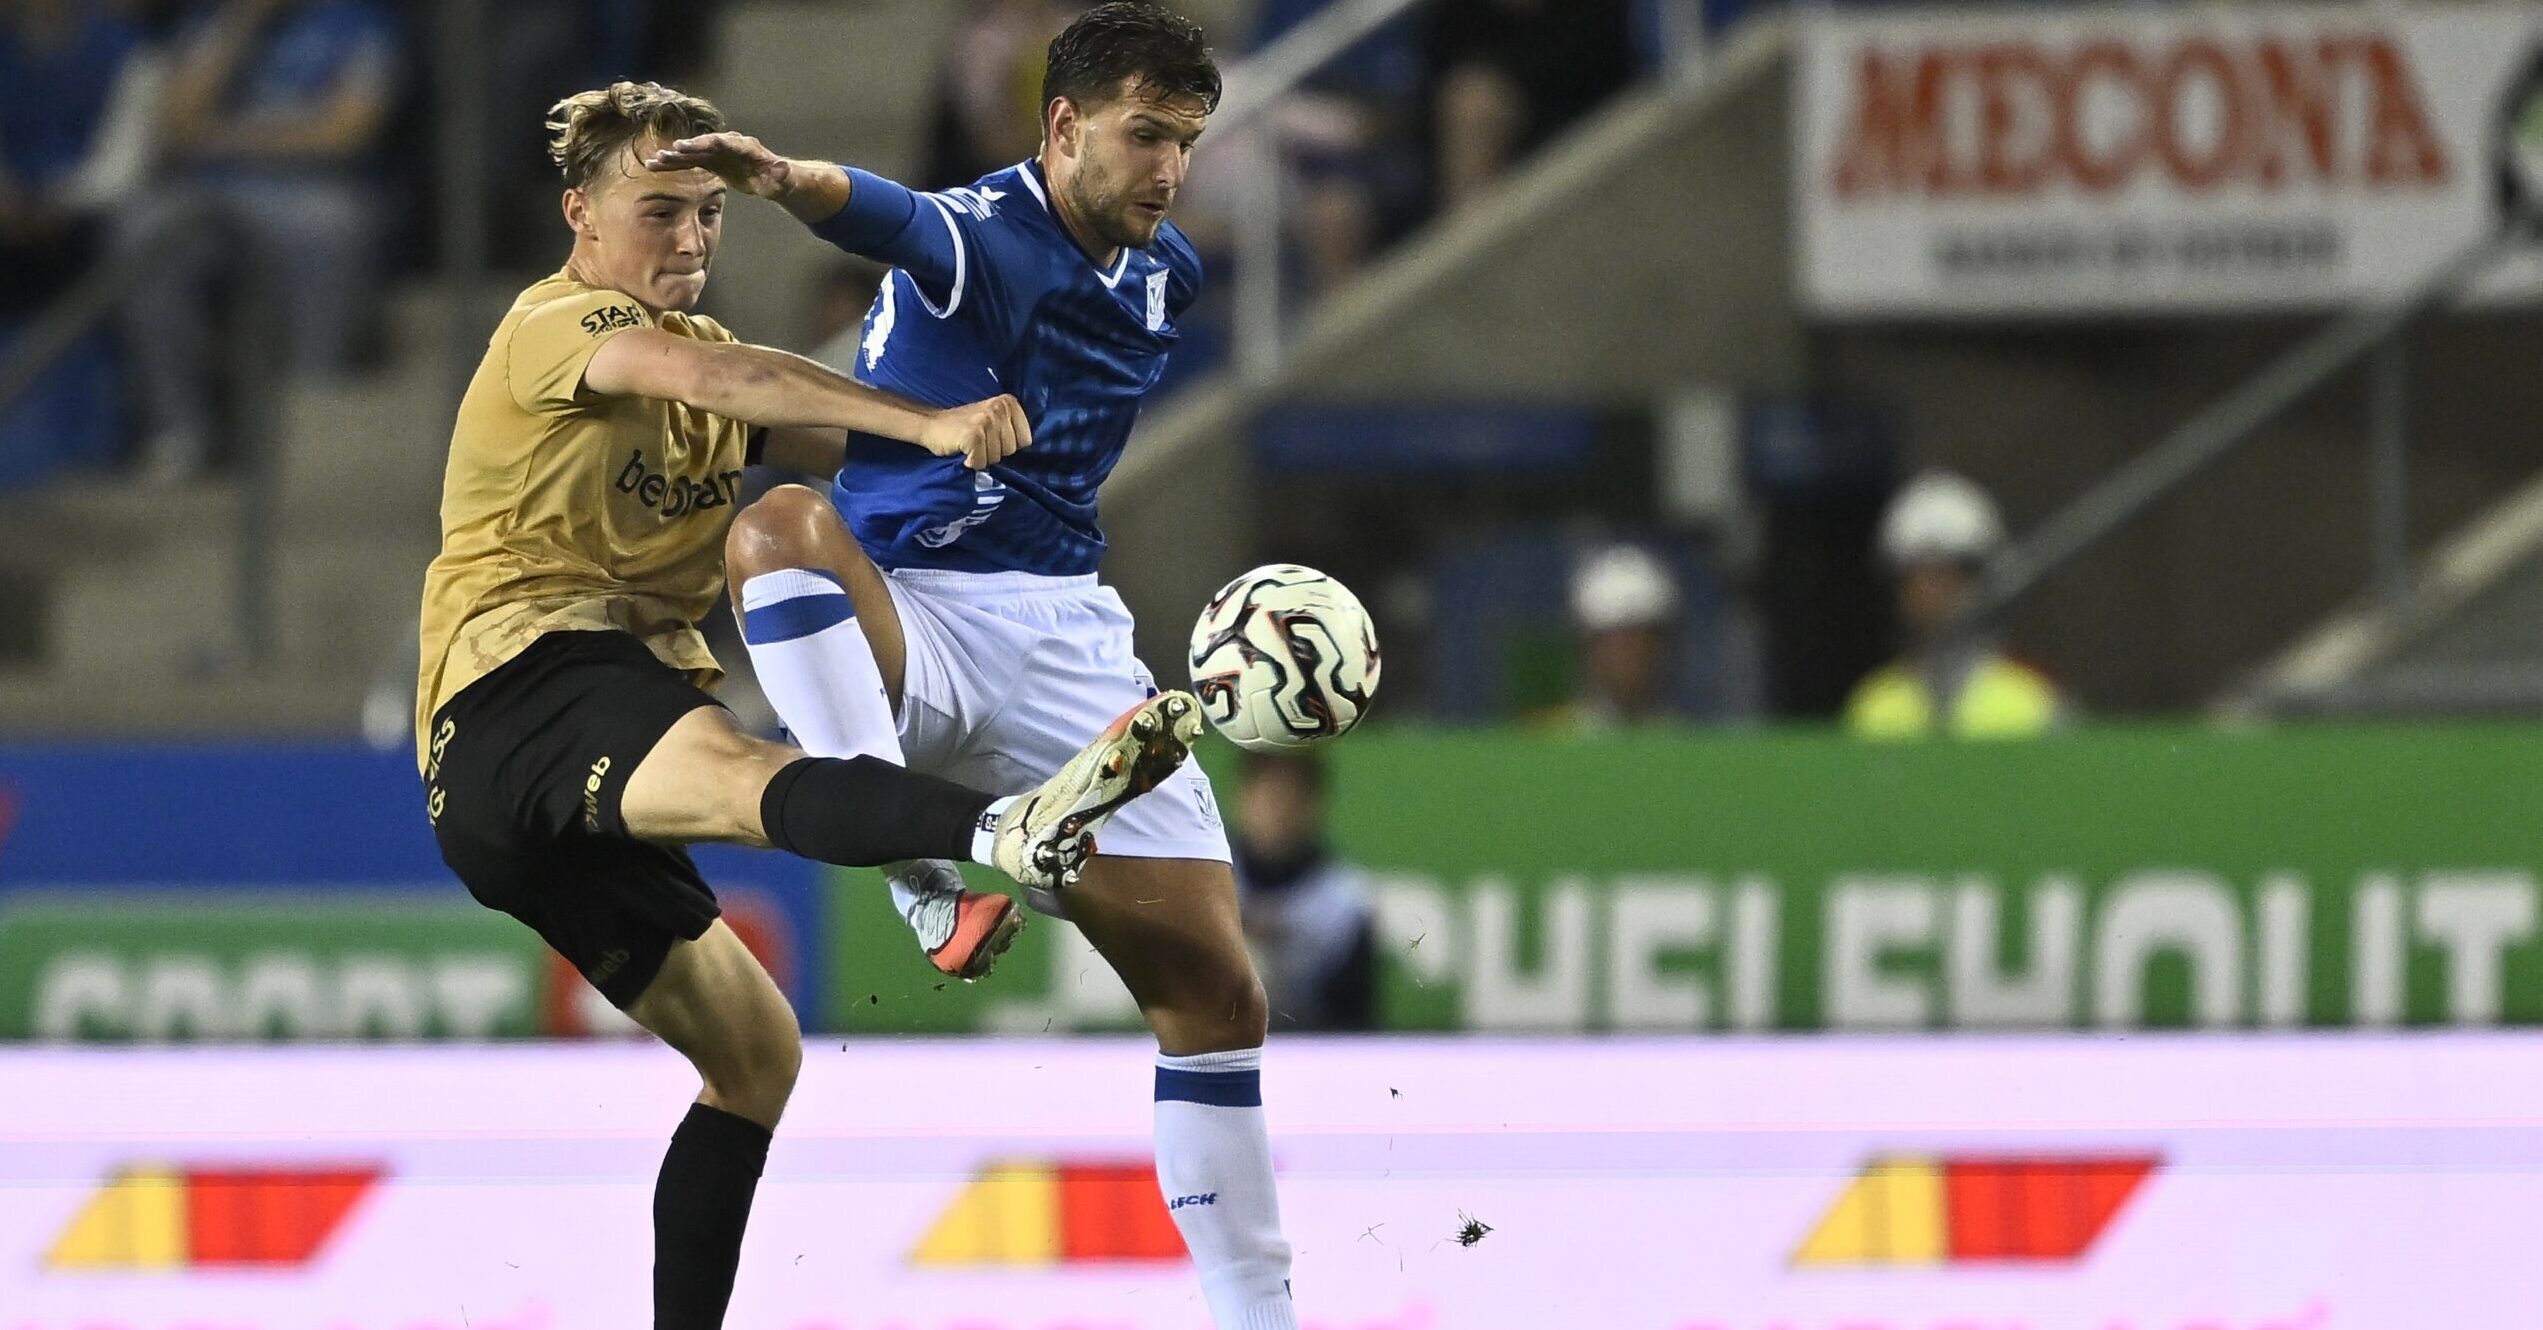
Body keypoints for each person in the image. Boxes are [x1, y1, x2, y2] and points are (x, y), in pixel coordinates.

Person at [417, 81, 1201, 1330]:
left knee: (757, 1058)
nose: (687, 238)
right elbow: (718, 380)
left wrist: (1008, 464)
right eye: (657, 210)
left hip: (552, 790)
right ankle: (991, 834)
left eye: (707, 217)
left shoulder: (709, 367)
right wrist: (926, 416)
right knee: (744, 774)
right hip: (521, 687)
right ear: (579, 212)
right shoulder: (557, 322)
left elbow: (833, 449)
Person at [645, 8, 1300, 1325]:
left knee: (1216, 992)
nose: (1167, 166)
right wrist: (784, 184)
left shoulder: (1170, 277)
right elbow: (884, 216)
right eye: (1140, 135)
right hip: (910, 620)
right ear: (1059, 129)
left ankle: (1258, 1313)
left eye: (1184, 139)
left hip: (1061, 633)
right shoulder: (984, 229)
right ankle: (917, 872)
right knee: (774, 532)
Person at [1842, 469, 2068, 739]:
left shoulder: (2033, 703)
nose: (1930, 591)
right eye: (1916, 575)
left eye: (1947, 574)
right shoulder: (1874, 707)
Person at [1231, 751, 1376, 1033]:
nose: (1278, 813)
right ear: (1242, 797)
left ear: (1313, 805)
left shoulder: (1342, 904)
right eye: (1268, 797)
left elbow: (1356, 1023)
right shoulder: (1207, 881)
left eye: (1290, 799)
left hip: (1311, 1052)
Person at [1560, 543, 1686, 729]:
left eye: (1638, 640)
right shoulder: (1546, 742)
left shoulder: (1684, 740)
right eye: (1614, 642)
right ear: (1588, 648)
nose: (1626, 657)